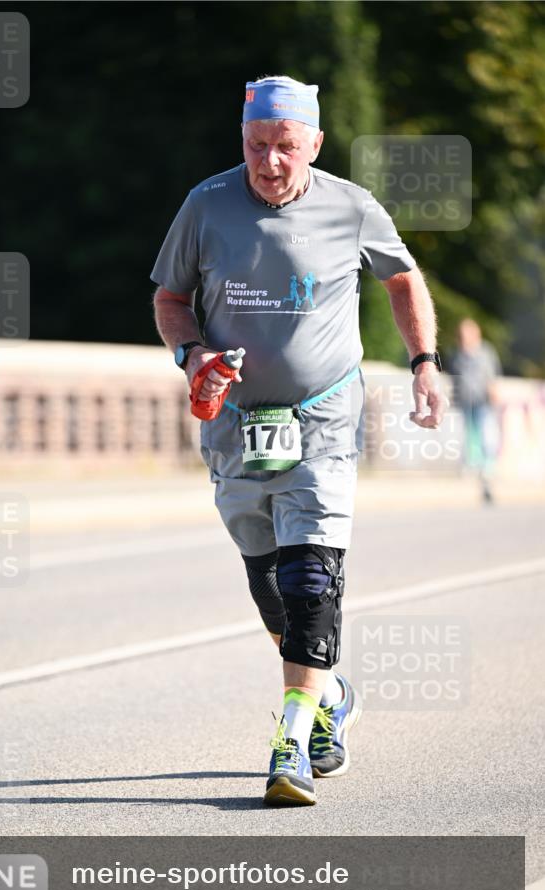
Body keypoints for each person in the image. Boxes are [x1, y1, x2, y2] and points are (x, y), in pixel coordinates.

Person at [151, 76, 445, 807]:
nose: (270, 162)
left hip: (321, 422)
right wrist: (192, 355)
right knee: (269, 585)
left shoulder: (351, 207)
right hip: (235, 427)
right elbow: (169, 299)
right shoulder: (205, 205)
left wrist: (423, 364)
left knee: (311, 577)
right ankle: (326, 698)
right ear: (241, 142)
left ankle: (289, 741)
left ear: (313, 143)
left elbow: (402, 279)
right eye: (257, 146)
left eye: (286, 147)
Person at [448, 318, 502, 504]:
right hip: (465, 400)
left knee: (486, 434)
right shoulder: (457, 355)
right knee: (469, 433)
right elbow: (454, 378)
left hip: (483, 400)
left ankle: (487, 467)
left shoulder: (485, 352)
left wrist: (493, 390)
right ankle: (472, 464)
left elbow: (492, 374)